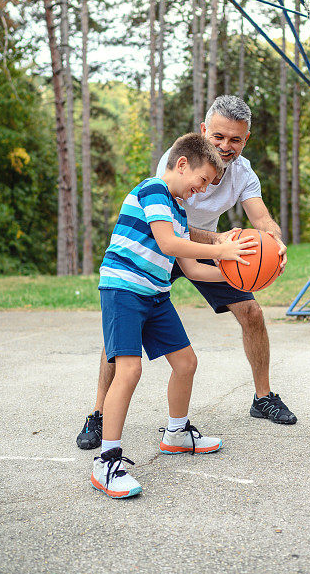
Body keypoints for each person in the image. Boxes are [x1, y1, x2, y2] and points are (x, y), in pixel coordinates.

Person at [78, 95, 297, 453]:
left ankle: (262, 398)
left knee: (251, 311)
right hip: (171, 246)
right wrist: (219, 244)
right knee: (120, 332)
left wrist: (272, 244)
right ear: (203, 130)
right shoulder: (180, 160)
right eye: (220, 136)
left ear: (246, 139)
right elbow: (172, 232)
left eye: (236, 139)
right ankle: (99, 413)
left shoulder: (243, 173)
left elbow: (259, 217)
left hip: (205, 250)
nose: (226, 146)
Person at [91, 132, 258, 498]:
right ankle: (106, 461)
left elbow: (192, 268)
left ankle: (177, 433)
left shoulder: (179, 208)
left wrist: (245, 275)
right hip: (123, 289)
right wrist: (222, 249)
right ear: (182, 164)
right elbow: (168, 243)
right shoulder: (153, 190)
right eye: (202, 181)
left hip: (154, 293)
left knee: (186, 363)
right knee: (130, 369)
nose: (202, 190)